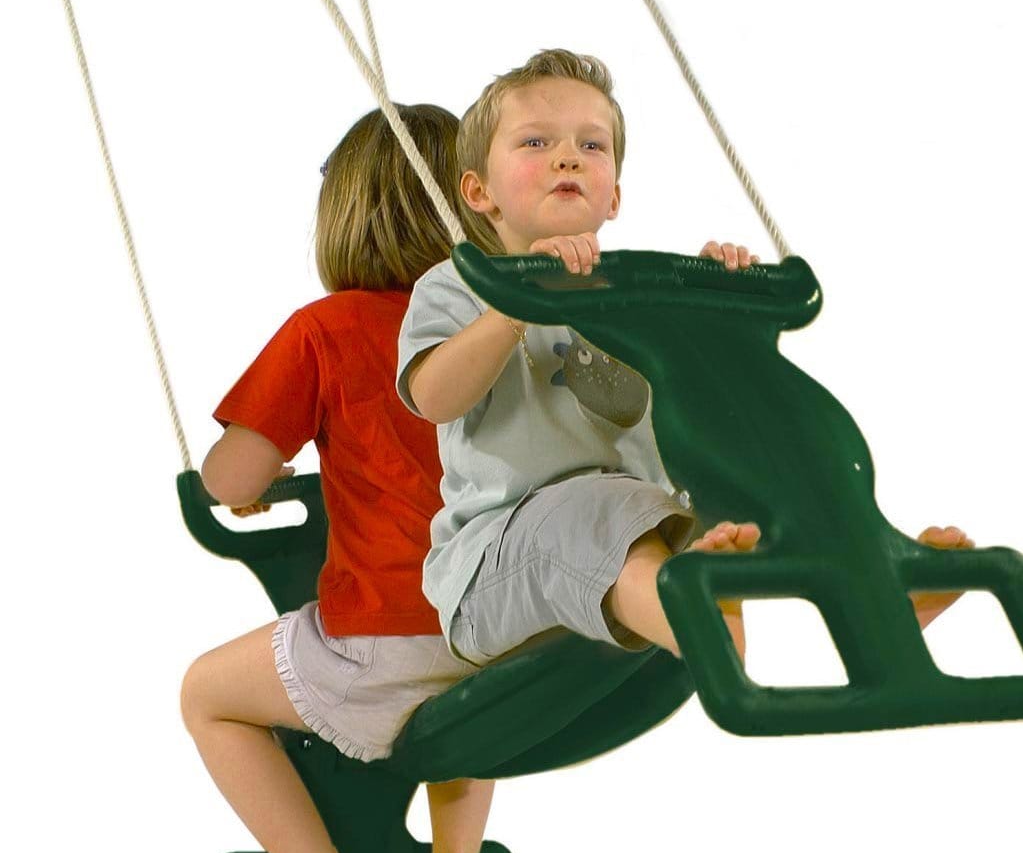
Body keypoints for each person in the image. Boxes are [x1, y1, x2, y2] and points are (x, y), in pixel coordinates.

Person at [397, 48, 972, 674]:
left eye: (591, 145)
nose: (568, 157)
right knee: (596, 514)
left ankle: (879, 598)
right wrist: (517, 305)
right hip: (499, 563)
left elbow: (707, 397)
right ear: (478, 192)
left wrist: (715, 305)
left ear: (614, 197)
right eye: (536, 141)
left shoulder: (633, 296)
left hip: (645, 522)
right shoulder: (456, 286)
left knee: (759, 466)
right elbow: (434, 397)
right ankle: (698, 612)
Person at [180, 104, 504, 853]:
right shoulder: (502, 326)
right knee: (464, 688)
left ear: (345, 214)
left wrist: (245, 478)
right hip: (503, 635)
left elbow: (229, 476)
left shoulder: (326, 331)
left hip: (378, 646)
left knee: (207, 694)